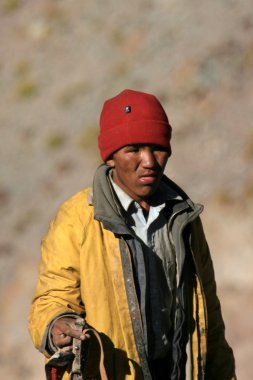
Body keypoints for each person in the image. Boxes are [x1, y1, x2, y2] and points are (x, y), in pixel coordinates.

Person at [29, 89, 236, 380]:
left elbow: (209, 318)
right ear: (111, 157)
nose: (149, 161)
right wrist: (57, 325)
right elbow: (51, 297)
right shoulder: (77, 219)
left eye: (158, 148)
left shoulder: (183, 218)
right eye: (134, 149)